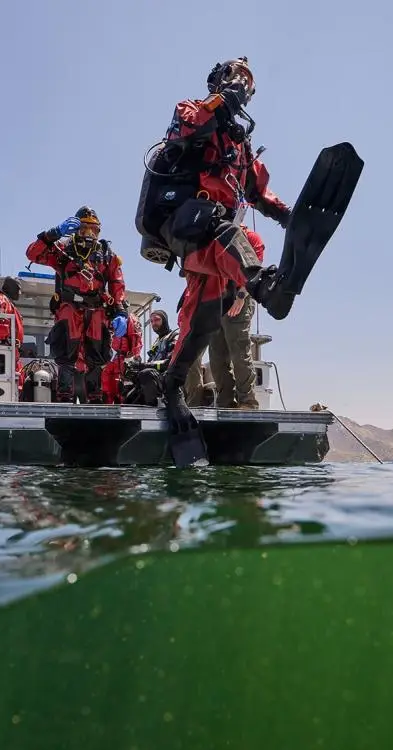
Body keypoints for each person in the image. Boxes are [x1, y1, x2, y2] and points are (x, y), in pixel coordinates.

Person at [134, 57, 291, 459]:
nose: (243, 84)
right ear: (219, 79)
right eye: (237, 76)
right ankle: (262, 284)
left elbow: (257, 191)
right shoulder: (192, 109)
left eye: (249, 82)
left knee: (202, 319)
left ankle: (171, 387)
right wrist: (221, 102)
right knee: (236, 237)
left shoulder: (240, 143)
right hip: (186, 223)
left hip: (216, 246)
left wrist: (289, 216)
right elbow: (188, 127)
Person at [26, 206, 127, 403]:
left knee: (97, 352)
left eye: (93, 230)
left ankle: (95, 397)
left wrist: (121, 311)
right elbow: (32, 253)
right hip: (69, 306)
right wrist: (53, 233)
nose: (89, 234)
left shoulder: (107, 256)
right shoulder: (62, 250)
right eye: (84, 229)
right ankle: (64, 396)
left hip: (96, 308)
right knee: (66, 350)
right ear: (75, 229)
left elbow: (117, 283)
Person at [209, 228, 265, 408]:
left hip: (239, 298)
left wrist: (241, 296)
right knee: (216, 356)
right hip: (217, 302)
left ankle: (247, 402)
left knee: (239, 352)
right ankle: (225, 402)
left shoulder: (251, 237)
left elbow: (255, 272)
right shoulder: (215, 236)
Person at [0, 276, 26, 392]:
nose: (19, 293)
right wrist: (7, 341)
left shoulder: (8, 302)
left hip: (12, 353)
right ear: (11, 288)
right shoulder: (0, 300)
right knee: (4, 387)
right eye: (18, 289)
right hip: (3, 354)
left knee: (18, 384)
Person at [101, 303, 143, 404]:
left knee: (121, 391)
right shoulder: (103, 317)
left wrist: (133, 356)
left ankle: (124, 415)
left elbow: (136, 337)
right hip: (106, 361)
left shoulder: (129, 319)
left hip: (121, 360)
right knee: (106, 392)